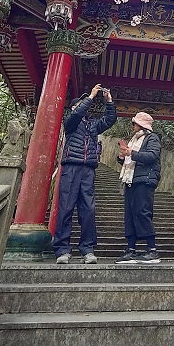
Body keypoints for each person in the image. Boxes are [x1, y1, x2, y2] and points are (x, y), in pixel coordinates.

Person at [53, 84, 117, 264]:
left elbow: (110, 120)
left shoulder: (93, 125)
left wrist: (109, 102)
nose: (85, 105)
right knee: (66, 208)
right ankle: (62, 250)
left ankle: (87, 249)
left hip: (88, 170)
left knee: (88, 210)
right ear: (75, 107)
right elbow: (76, 114)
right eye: (81, 103)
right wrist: (90, 96)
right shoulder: (71, 122)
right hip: (71, 168)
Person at [115, 111, 161, 264]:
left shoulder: (152, 138)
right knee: (130, 214)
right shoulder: (134, 139)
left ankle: (152, 250)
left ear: (141, 124)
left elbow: (152, 156)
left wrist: (131, 153)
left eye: (134, 122)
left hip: (144, 180)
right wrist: (123, 155)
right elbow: (130, 160)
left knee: (142, 212)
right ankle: (131, 249)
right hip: (131, 179)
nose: (133, 125)